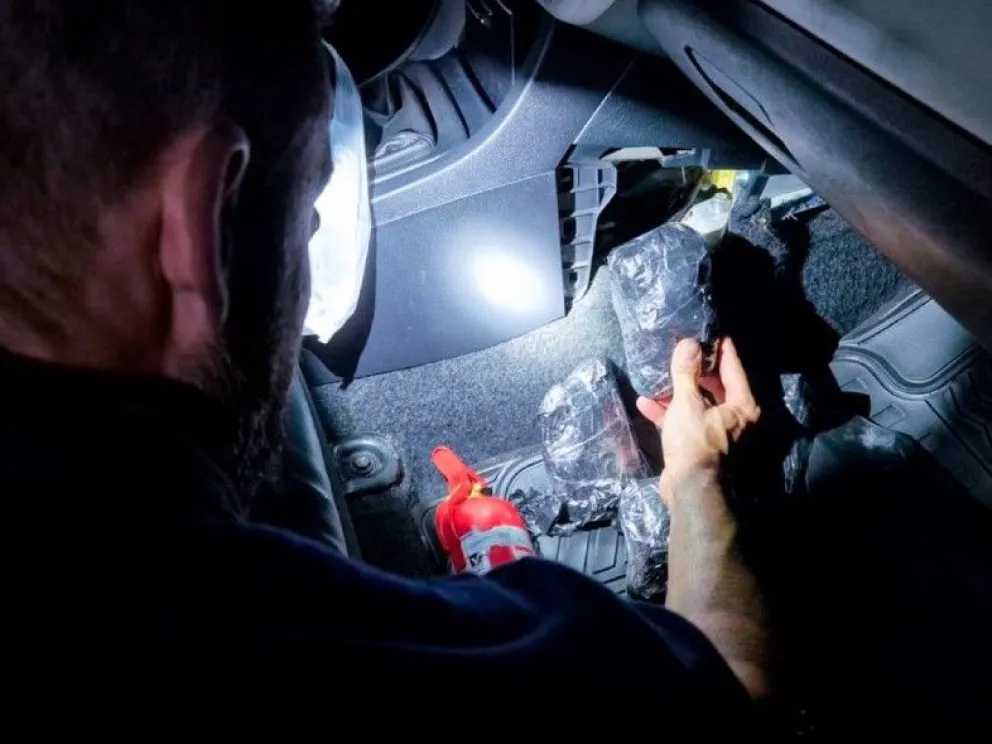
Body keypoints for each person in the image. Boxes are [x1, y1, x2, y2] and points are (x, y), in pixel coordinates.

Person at [0, 0, 767, 729]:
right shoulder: (282, 662)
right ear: (190, 232)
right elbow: (731, 690)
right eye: (307, 214)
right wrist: (696, 480)